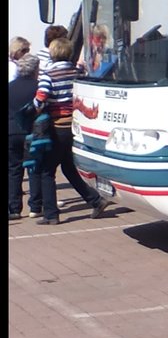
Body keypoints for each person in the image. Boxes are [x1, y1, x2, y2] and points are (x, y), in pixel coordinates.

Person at [33, 37, 111, 225]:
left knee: (47, 171)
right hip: (74, 125)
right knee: (68, 166)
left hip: (57, 125)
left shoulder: (48, 74)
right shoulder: (78, 71)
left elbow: (40, 99)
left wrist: (35, 107)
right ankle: (95, 200)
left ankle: (51, 214)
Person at [8, 53, 42, 219]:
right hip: (31, 131)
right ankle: (35, 206)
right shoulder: (38, 87)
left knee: (14, 170)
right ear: (35, 69)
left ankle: (14, 208)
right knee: (33, 168)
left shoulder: (10, 86)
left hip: (12, 131)